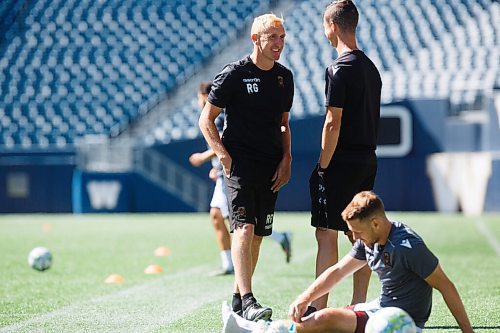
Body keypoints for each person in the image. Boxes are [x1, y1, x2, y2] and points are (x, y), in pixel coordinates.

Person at [223, 191, 474, 333]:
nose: (354, 237)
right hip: (380, 309)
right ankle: (258, 330)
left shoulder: (409, 247)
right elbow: (338, 271)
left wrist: (468, 332)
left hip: (400, 323)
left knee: (326, 320)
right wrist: (305, 297)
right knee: (321, 320)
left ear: (376, 223)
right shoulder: (370, 239)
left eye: (357, 231)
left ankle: (258, 331)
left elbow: (446, 286)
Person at [199, 13, 294, 322]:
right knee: (245, 227)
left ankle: (238, 300)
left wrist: (287, 158)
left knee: (258, 235)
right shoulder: (234, 74)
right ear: (256, 40)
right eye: (272, 37)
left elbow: (283, 125)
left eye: (281, 37)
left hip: (271, 166)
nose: (279, 43)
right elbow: (206, 119)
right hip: (240, 165)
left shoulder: (284, 77)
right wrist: (223, 156)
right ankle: (250, 299)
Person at [308, 0, 382, 313]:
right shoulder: (371, 68)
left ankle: (319, 308)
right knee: (359, 232)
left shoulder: (338, 69)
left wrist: (323, 166)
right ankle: (359, 305)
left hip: (341, 161)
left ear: (332, 26)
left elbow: (332, 122)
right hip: (367, 159)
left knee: (326, 233)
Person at [190, 82, 293, 276]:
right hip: (222, 172)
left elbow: (222, 145)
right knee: (223, 217)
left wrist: (203, 158)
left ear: (204, 96)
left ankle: (237, 263)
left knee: (237, 221)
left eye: (198, 98)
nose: (198, 102)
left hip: (228, 174)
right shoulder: (214, 115)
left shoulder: (217, 117)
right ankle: (231, 261)